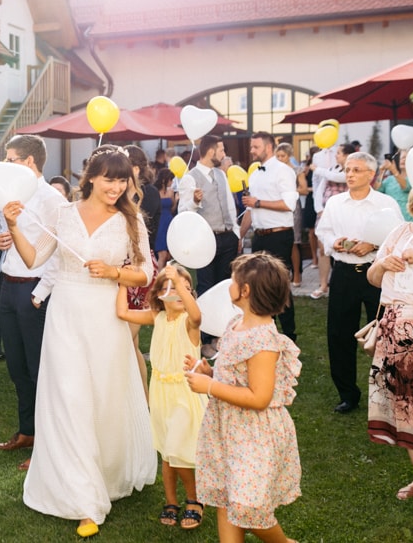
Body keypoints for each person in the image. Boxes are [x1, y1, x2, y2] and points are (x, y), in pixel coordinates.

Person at [4, 145, 156, 538]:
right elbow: (36, 259)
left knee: (103, 397)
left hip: (106, 317)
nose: (116, 186)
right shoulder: (63, 213)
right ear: (90, 177)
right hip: (66, 316)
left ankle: (104, 473)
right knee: (69, 398)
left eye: (123, 180)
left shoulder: (130, 219)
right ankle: (84, 496)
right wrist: (15, 227)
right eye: (109, 178)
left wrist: (113, 272)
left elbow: (145, 274)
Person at [185, 252, 301, 543]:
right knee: (226, 499)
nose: (229, 284)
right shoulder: (236, 324)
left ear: (245, 291)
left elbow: (259, 397)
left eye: (234, 280)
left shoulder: (263, 340)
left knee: (248, 508)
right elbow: (236, 377)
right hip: (228, 429)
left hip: (253, 433)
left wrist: (210, 388)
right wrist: (209, 373)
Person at [0, 135, 63, 470]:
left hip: (34, 291)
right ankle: (27, 431)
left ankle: (46, 446)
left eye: (11, 159)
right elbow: (16, 240)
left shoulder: (52, 199)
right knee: (17, 367)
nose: (6, 166)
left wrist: (39, 295)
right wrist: (3, 240)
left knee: (40, 371)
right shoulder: (12, 196)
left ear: (29, 162)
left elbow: (56, 252)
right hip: (8, 284)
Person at [117, 265, 206, 529]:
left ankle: (194, 499)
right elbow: (122, 312)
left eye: (187, 289)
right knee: (167, 452)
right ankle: (170, 501)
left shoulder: (189, 323)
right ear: (160, 294)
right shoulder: (156, 317)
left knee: (178, 448)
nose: (181, 292)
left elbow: (197, 315)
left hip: (184, 393)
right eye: (175, 288)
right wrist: (122, 281)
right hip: (160, 393)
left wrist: (177, 281)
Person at [316, 152, 401, 414]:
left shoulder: (385, 203)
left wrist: (374, 244)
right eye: (347, 170)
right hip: (343, 273)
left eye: (356, 170)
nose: (349, 175)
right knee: (339, 334)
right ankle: (348, 394)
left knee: (385, 332)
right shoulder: (335, 202)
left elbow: (399, 236)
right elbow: (323, 231)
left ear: (370, 175)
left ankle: (389, 392)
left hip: (377, 274)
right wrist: (335, 242)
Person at [366, 180, 413, 504]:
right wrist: (381, 265)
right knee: (408, 403)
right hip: (395, 328)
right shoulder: (400, 233)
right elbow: (373, 278)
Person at [241, 131, 299, 342]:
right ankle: (266, 333)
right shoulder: (255, 174)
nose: (251, 151)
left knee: (280, 286)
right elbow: (250, 210)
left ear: (267, 147)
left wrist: (258, 202)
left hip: (279, 236)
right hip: (259, 237)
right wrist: (240, 235)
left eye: (255, 147)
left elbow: (288, 205)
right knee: (259, 286)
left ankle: (290, 335)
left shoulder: (284, 171)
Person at [178, 135, 240, 297]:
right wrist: (194, 201)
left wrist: (236, 234)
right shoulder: (190, 178)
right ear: (211, 152)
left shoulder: (221, 175)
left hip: (228, 239)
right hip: (205, 240)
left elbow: (230, 207)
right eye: (221, 150)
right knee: (206, 286)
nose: (224, 154)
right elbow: (183, 214)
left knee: (226, 285)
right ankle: (204, 321)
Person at [125, 144, 161, 401]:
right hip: (125, 271)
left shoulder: (146, 195)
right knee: (131, 344)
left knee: (127, 341)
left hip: (140, 269)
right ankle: (141, 400)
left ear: (135, 168)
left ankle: (142, 400)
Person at [310, 142, 356, 299]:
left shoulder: (351, 173)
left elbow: (337, 178)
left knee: (344, 246)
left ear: (347, 156)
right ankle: (323, 284)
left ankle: (345, 283)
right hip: (324, 215)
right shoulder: (332, 169)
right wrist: (320, 210)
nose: (335, 156)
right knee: (322, 249)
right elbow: (320, 190)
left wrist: (317, 169)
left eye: (339, 153)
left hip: (345, 215)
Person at [275, 143, 303, 286]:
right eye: (278, 156)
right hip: (277, 206)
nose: (280, 158)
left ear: (289, 156)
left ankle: (297, 274)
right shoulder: (275, 172)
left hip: (293, 207)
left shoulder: (297, 171)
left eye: (283, 156)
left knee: (294, 242)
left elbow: (304, 189)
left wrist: (290, 191)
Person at [376, 149, 412, 221]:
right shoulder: (390, 179)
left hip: (408, 221)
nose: (403, 160)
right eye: (402, 157)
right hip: (391, 221)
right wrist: (381, 172)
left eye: (406, 157)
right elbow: (377, 191)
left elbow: (406, 187)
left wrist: (393, 169)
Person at [300, 147, 319, 274]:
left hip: (321, 199)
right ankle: (314, 258)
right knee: (311, 231)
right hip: (310, 200)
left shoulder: (322, 168)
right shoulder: (306, 169)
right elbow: (304, 186)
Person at [153, 167, 176, 269]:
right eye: (170, 180)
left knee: (169, 255)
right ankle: (158, 279)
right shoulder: (155, 192)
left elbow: (172, 208)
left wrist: (176, 200)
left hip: (169, 221)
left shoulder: (171, 192)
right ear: (164, 180)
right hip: (160, 223)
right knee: (162, 254)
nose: (172, 182)